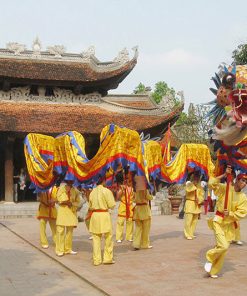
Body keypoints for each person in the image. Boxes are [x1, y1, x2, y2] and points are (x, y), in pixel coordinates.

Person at [204, 169, 247, 278]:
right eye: (242, 180)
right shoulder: (225, 188)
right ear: (237, 180)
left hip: (229, 226)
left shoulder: (243, 197)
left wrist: (231, 214)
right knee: (223, 246)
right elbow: (211, 184)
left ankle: (213, 271)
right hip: (219, 220)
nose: (244, 183)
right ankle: (209, 257)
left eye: (246, 182)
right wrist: (224, 174)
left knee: (223, 250)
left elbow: (242, 213)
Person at [88, 176, 116, 266]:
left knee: (96, 238)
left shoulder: (92, 192)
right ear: (103, 181)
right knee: (108, 237)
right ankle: (107, 258)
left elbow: (90, 206)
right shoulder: (107, 191)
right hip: (104, 215)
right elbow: (112, 205)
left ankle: (97, 260)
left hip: (95, 216)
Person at [55, 180, 81, 257]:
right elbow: (59, 199)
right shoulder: (61, 188)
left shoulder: (75, 190)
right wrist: (66, 201)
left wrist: (72, 203)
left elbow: (78, 201)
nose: (71, 182)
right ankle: (59, 250)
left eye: (72, 180)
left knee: (70, 232)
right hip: (62, 211)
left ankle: (68, 249)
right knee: (60, 231)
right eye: (69, 180)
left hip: (71, 211)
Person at [132, 176, 153, 250]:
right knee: (146, 228)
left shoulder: (135, 190)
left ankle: (136, 244)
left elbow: (133, 199)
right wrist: (151, 194)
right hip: (144, 209)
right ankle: (145, 244)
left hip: (137, 209)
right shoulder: (145, 190)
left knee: (138, 228)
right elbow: (149, 197)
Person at [183, 171, 204, 240]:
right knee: (188, 220)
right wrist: (194, 185)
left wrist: (200, 200)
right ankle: (187, 234)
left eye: (198, 178)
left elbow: (202, 195)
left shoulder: (200, 186)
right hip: (189, 203)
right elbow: (188, 190)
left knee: (195, 220)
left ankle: (191, 233)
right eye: (195, 177)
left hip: (196, 205)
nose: (197, 179)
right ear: (192, 177)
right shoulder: (189, 184)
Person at [115, 175, 134, 243]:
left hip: (130, 206)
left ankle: (129, 237)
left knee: (130, 222)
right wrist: (121, 190)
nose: (129, 181)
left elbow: (134, 198)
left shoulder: (133, 189)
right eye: (127, 180)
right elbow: (117, 197)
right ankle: (119, 237)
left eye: (130, 180)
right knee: (120, 222)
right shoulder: (122, 187)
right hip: (123, 206)